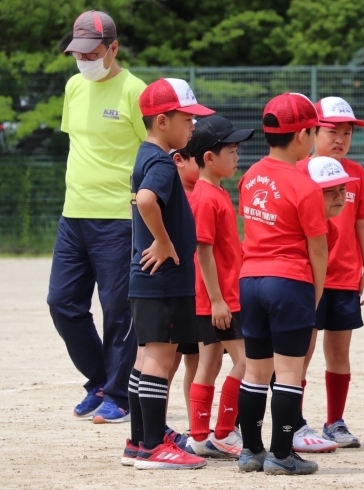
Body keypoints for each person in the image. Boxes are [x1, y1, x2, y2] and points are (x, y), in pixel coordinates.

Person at [47, 9, 146, 423]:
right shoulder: (73, 87)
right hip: (74, 214)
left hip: (119, 219)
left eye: (92, 53)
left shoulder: (134, 91)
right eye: (78, 54)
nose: (84, 61)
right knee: (62, 303)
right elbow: (81, 146)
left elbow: (156, 150)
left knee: (118, 310)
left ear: (113, 48)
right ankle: (100, 381)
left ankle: (120, 396)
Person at [121, 78, 214, 470]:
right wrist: (162, 241)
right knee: (161, 359)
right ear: (162, 121)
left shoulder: (145, 155)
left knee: (145, 357)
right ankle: (156, 446)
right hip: (163, 279)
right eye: (187, 118)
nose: (192, 126)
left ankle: (140, 440)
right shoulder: (160, 161)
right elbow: (146, 200)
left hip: (145, 281)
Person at [236, 93, 330, 476]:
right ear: (303, 135)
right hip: (288, 280)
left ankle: (250, 451)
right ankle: (281, 454)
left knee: (255, 372)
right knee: (289, 372)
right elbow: (318, 248)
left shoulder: (249, 176)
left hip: (250, 280)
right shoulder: (305, 186)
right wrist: (317, 289)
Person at [292, 97, 364, 451]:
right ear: (312, 132)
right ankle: (293, 421)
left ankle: (335, 421)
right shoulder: (298, 170)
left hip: (343, 277)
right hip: (307, 278)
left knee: (339, 353)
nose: (340, 138)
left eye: (347, 132)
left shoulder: (356, 174)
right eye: (332, 131)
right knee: (301, 353)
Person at [184, 115, 254, 458]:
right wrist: (217, 301)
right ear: (209, 158)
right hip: (221, 297)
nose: (237, 155)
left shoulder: (215, 192)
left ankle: (199, 436)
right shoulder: (205, 197)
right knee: (247, 361)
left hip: (217, 296)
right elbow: (202, 251)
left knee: (209, 364)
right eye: (231, 149)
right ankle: (224, 433)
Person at [170, 144, 201, 435]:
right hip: (179, 290)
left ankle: (195, 427)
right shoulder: (173, 198)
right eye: (199, 159)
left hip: (198, 293)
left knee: (195, 360)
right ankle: (158, 425)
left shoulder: (202, 195)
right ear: (179, 161)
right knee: (168, 361)